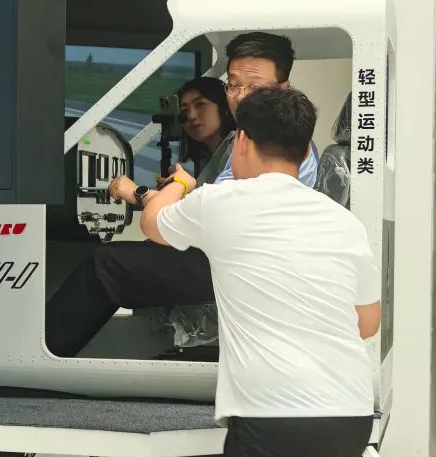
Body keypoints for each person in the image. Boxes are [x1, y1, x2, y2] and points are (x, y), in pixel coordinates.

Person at [140, 87, 378, 457]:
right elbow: (367, 323)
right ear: (303, 150)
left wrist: (180, 182)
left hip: (278, 424)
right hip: (349, 418)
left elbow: (152, 224)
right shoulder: (343, 221)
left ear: (241, 141)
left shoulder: (221, 201)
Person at [45, 32, 317, 357]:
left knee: (106, 265)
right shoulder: (246, 139)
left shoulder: (267, 146)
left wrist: (155, 191)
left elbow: (198, 217)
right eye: (233, 85)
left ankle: (45, 354)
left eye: (255, 88)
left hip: (237, 266)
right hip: (232, 256)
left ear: (283, 89)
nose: (242, 98)